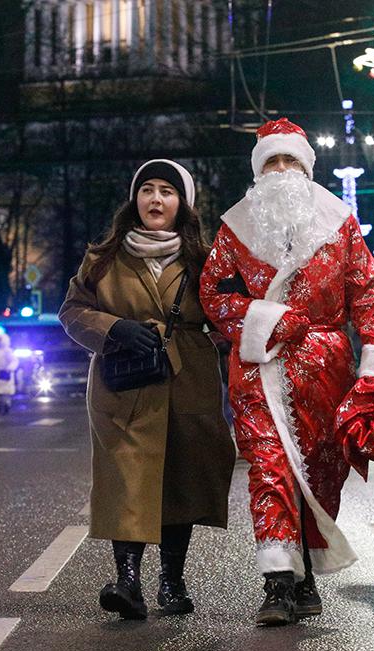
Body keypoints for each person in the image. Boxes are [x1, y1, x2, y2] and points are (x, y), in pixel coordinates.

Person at [200, 119, 374, 626]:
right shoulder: (236, 227)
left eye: (290, 161)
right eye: (271, 162)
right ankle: (276, 582)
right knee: (269, 467)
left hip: (325, 370)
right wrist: (266, 319)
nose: (281, 171)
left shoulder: (340, 224)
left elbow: (371, 294)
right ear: (258, 170)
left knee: (319, 470)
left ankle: (306, 572)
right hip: (261, 366)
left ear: (307, 168)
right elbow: (213, 293)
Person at [60, 159, 234, 620]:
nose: (156, 200)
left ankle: (172, 582)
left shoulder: (206, 259)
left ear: (183, 204)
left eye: (167, 192)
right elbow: (73, 311)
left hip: (188, 381)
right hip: (124, 384)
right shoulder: (103, 257)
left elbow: (227, 315)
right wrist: (114, 328)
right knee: (127, 478)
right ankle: (127, 580)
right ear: (135, 199)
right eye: (148, 190)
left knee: (180, 479)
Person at [0, 333, 18, 414]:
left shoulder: (8, 351)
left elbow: (14, 361)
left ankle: (6, 407)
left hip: (5, 373)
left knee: (6, 393)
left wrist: (10, 368)